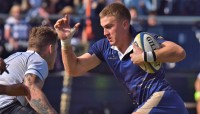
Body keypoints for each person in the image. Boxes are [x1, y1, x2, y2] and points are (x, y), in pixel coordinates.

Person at [54, 2, 188, 114]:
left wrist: (144, 57)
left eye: (109, 27)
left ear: (125, 24)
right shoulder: (103, 47)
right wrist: (65, 43)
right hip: (150, 106)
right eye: (103, 28)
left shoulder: (142, 39)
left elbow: (179, 52)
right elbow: (74, 70)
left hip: (165, 102)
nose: (105, 33)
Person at [0, 26, 58, 114]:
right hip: (5, 106)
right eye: (56, 49)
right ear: (51, 49)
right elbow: (30, 87)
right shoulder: (38, 60)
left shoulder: (14, 57)